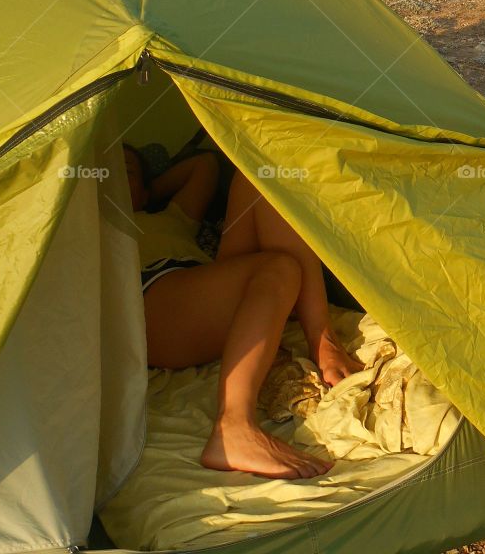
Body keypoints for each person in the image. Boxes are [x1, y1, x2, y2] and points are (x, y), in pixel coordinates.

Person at [123, 145, 362, 479]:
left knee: (262, 174)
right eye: (102, 171)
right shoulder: (91, 226)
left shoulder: (169, 216)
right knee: (279, 269)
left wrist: (149, 190)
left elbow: (203, 165)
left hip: (204, 283)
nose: (113, 177)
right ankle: (232, 427)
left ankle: (322, 339)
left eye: (126, 172)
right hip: (147, 296)